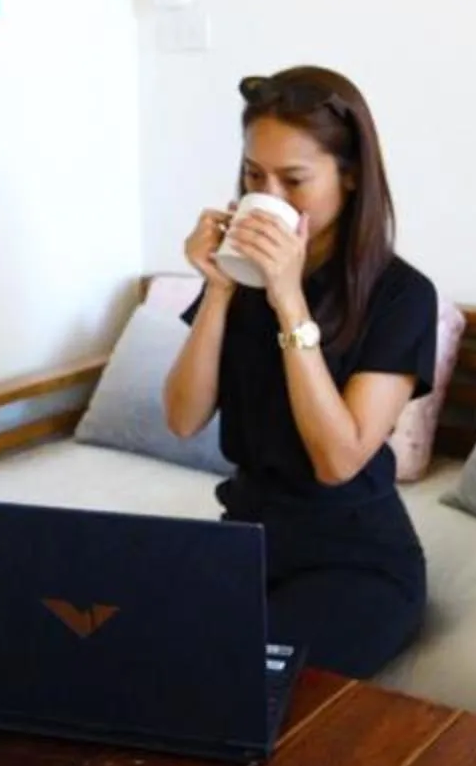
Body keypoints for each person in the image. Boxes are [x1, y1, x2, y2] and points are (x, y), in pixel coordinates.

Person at [163, 66, 438, 679]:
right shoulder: (241, 278)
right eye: (253, 176)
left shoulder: (401, 296)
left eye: (294, 179)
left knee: (231, 685)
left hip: (355, 560)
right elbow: (182, 418)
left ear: (350, 175)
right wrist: (218, 288)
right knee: (132, 649)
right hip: (247, 541)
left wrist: (289, 300)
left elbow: (338, 460)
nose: (270, 197)